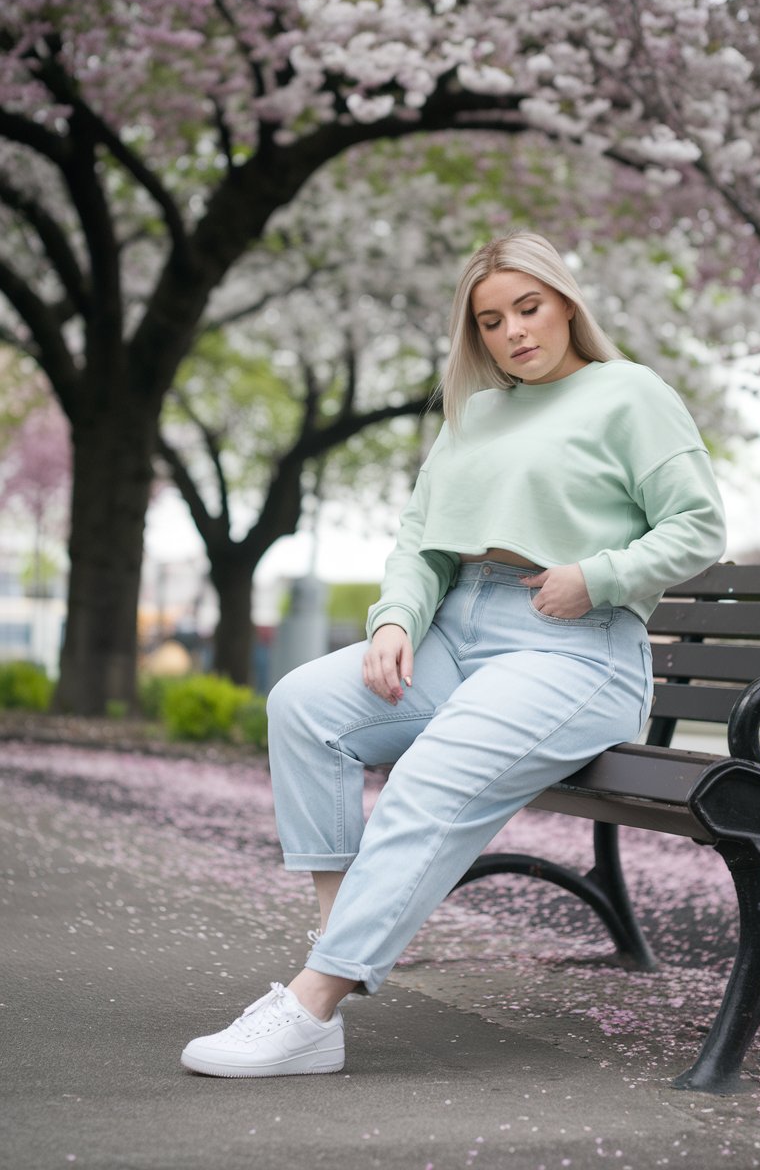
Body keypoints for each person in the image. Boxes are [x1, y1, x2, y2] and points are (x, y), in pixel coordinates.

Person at [180, 231, 726, 1078]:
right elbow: (420, 539)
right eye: (492, 320)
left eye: (528, 308)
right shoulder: (475, 411)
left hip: (575, 650)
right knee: (304, 706)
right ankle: (336, 947)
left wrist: (600, 576)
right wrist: (394, 622)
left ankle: (310, 1002)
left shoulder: (630, 393)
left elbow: (698, 526)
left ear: (566, 301)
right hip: (455, 629)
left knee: (427, 776)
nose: (513, 331)